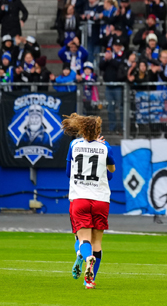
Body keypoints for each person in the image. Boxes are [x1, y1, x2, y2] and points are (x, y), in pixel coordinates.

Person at [63, 113, 114, 289]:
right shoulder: (106, 147)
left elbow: (69, 172)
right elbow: (111, 173)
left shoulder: (74, 145)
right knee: (97, 242)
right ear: (98, 130)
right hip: (101, 199)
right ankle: (89, 281)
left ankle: (84, 255)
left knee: (82, 237)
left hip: (79, 198)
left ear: (82, 129)